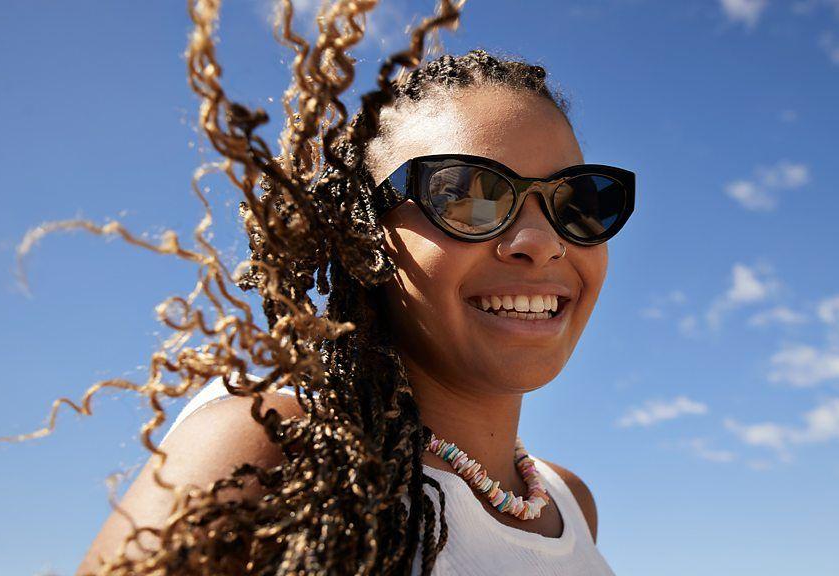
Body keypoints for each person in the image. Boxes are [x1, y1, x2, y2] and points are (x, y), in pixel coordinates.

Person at [74, 9, 633, 573]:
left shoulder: (571, 503)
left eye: (576, 201)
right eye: (466, 194)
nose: (541, 241)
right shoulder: (271, 448)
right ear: (361, 236)